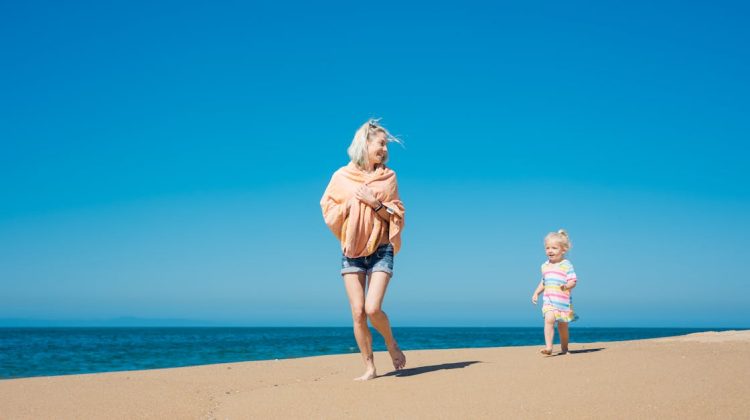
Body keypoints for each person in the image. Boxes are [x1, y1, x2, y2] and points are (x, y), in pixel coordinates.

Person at [320, 119, 407, 380]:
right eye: (380, 143)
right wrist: (348, 205)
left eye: (386, 145)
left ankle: (391, 343)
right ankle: (369, 367)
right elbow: (328, 208)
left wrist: (374, 203)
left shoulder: (388, 177)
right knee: (357, 312)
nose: (384, 149)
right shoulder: (341, 177)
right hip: (352, 251)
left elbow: (397, 214)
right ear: (365, 144)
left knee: (372, 309)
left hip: (381, 249)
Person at [531, 229, 579, 356]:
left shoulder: (566, 265)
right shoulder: (545, 266)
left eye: (554, 248)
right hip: (549, 302)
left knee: (563, 327)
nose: (550, 251)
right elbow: (544, 282)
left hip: (563, 303)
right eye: (547, 248)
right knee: (549, 319)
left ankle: (565, 348)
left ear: (563, 250)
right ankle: (549, 347)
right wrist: (536, 293)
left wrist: (566, 286)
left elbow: (573, 281)